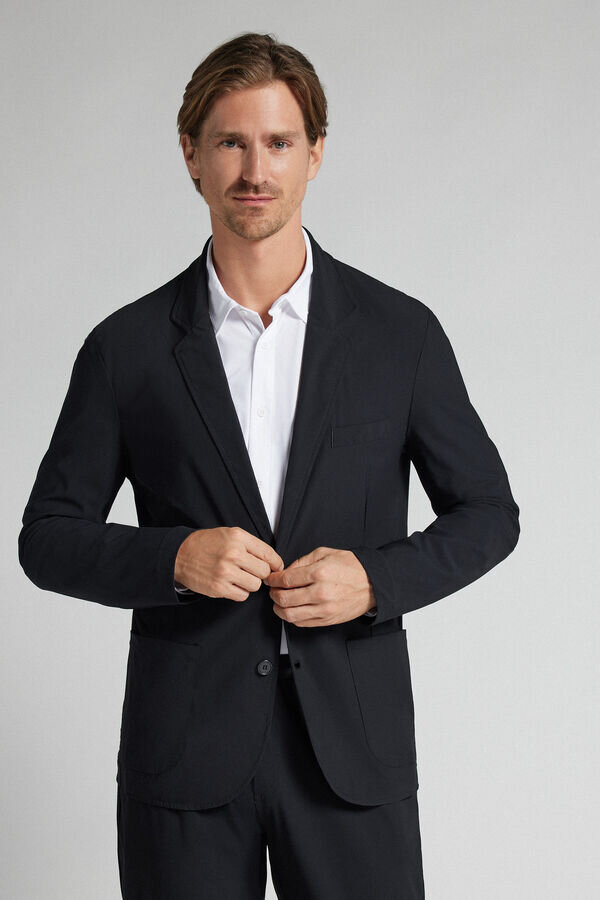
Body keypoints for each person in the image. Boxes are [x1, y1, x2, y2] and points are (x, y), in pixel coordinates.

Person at [18, 31, 520, 899]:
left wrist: (376, 580)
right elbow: (47, 538)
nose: (255, 169)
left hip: (351, 754)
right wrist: (173, 558)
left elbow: (489, 514)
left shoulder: (399, 335)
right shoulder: (126, 348)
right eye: (231, 142)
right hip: (184, 758)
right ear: (192, 155)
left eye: (279, 142)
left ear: (315, 154)